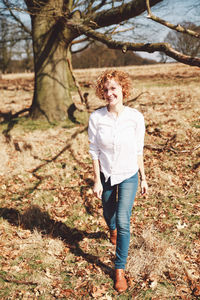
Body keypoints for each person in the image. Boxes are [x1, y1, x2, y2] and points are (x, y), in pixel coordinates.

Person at [88, 69, 148, 293]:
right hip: (106, 175)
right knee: (108, 212)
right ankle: (111, 229)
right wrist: (97, 180)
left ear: (123, 89)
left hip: (129, 174)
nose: (109, 93)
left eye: (113, 88)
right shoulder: (96, 118)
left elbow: (138, 150)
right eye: (105, 89)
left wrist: (144, 178)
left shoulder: (135, 117)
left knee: (124, 221)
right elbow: (94, 151)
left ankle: (119, 269)